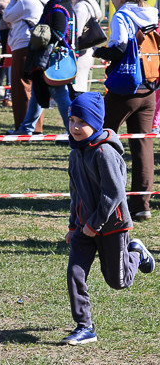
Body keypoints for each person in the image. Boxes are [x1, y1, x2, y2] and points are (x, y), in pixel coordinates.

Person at [63, 92, 155, 346]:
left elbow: (114, 193)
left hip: (112, 225)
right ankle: (85, 326)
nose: (75, 127)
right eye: (71, 120)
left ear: (95, 122)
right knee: (75, 273)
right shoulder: (75, 153)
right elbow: (75, 193)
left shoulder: (104, 152)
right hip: (84, 227)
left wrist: (95, 224)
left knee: (118, 281)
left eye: (82, 122)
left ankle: (136, 253)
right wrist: (73, 225)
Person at [93, 0, 159, 222]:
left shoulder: (122, 15)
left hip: (125, 87)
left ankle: (103, 196)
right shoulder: (151, 14)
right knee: (143, 146)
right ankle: (142, 204)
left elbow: (119, 49)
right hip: (149, 88)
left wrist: (98, 50)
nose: (112, 1)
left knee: (100, 137)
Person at [12, 0, 75, 135]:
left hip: (53, 58)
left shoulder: (58, 8)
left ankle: (72, 130)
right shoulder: (67, 5)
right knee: (37, 92)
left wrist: (39, 33)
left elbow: (58, 32)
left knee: (60, 94)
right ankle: (26, 128)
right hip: (55, 57)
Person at [1, 0, 46, 131]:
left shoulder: (26, 1)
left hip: (23, 46)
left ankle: (23, 126)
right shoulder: (42, 0)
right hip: (37, 45)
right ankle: (36, 127)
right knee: (36, 87)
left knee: (21, 87)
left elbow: (7, 16)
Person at [69, 0, 102, 93]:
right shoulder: (90, 5)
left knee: (77, 86)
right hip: (88, 49)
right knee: (82, 83)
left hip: (81, 50)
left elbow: (76, 31)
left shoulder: (80, 7)